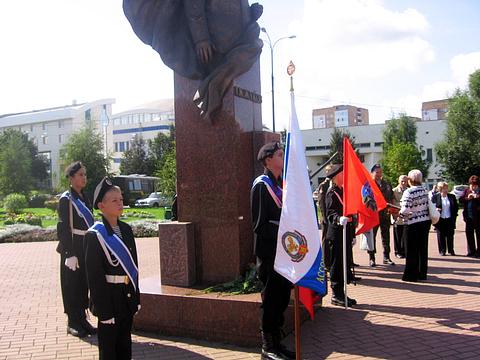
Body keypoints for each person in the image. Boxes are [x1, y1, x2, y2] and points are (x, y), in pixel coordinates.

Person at [84, 178, 140, 360]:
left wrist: (135, 297)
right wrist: (104, 311)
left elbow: (134, 266)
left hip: (126, 297)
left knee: (125, 346)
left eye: (121, 200)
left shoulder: (126, 229)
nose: (120, 204)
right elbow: (94, 277)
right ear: (101, 206)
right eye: (114, 200)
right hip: (108, 298)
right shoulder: (95, 235)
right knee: (109, 350)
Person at [251, 141, 294, 360]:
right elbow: (260, 224)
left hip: (284, 253)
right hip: (270, 253)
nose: (282, 157)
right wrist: (284, 231)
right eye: (279, 154)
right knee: (270, 301)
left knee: (282, 298)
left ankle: (278, 343)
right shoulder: (262, 185)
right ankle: (267, 347)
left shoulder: (280, 185)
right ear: (268, 160)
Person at [56, 161, 96, 337]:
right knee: (71, 285)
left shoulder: (83, 197)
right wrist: (69, 253)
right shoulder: (66, 199)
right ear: (71, 178)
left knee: (83, 285)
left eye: (85, 174)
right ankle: (72, 322)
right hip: (72, 247)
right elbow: (63, 228)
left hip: (85, 245)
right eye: (80, 174)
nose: (84, 177)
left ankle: (82, 319)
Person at [324, 164, 356, 307]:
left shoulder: (343, 191)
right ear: (336, 176)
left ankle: (342, 293)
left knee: (345, 264)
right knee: (337, 266)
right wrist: (338, 219)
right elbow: (330, 213)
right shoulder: (332, 193)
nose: (345, 176)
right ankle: (336, 295)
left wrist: (352, 233)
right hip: (336, 233)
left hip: (345, 232)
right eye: (342, 173)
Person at [400, 170, 431, 282]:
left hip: (412, 223)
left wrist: (400, 213)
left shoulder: (409, 192)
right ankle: (422, 273)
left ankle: (411, 275)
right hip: (425, 222)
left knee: (411, 250)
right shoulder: (425, 190)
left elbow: (405, 209)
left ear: (410, 180)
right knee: (422, 249)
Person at [368, 164, 395, 266]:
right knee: (372, 237)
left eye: (380, 172)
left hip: (385, 214)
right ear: (372, 173)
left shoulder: (386, 183)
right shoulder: (369, 185)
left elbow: (391, 197)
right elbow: (366, 200)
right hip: (374, 215)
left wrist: (392, 211)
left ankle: (386, 257)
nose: (379, 174)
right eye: (377, 172)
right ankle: (372, 257)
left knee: (386, 236)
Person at [432, 182, 459, 256]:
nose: (446, 189)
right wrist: (436, 209)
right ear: (440, 189)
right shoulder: (435, 197)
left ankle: (451, 250)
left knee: (450, 235)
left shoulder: (452, 196)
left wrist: (454, 214)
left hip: (450, 218)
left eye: (446, 188)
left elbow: (456, 207)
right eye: (444, 188)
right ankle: (442, 250)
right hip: (440, 219)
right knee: (441, 235)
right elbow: (432, 207)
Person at [459, 175, 480, 257]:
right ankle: (471, 251)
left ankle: (479, 252)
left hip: (478, 217)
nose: (473, 187)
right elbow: (460, 199)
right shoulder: (466, 191)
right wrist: (467, 198)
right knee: (469, 234)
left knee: (479, 234)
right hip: (468, 217)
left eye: (475, 185)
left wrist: (477, 197)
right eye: (472, 185)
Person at [392, 175, 408, 259]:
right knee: (398, 235)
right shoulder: (394, 191)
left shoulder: (409, 191)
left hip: (407, 217)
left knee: (405, 235)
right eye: (402, 181)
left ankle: (405, 251)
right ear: (399, 181)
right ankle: (398, 251)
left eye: (405, 181)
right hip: (397, 216)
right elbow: (392, 203)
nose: (404, 183)